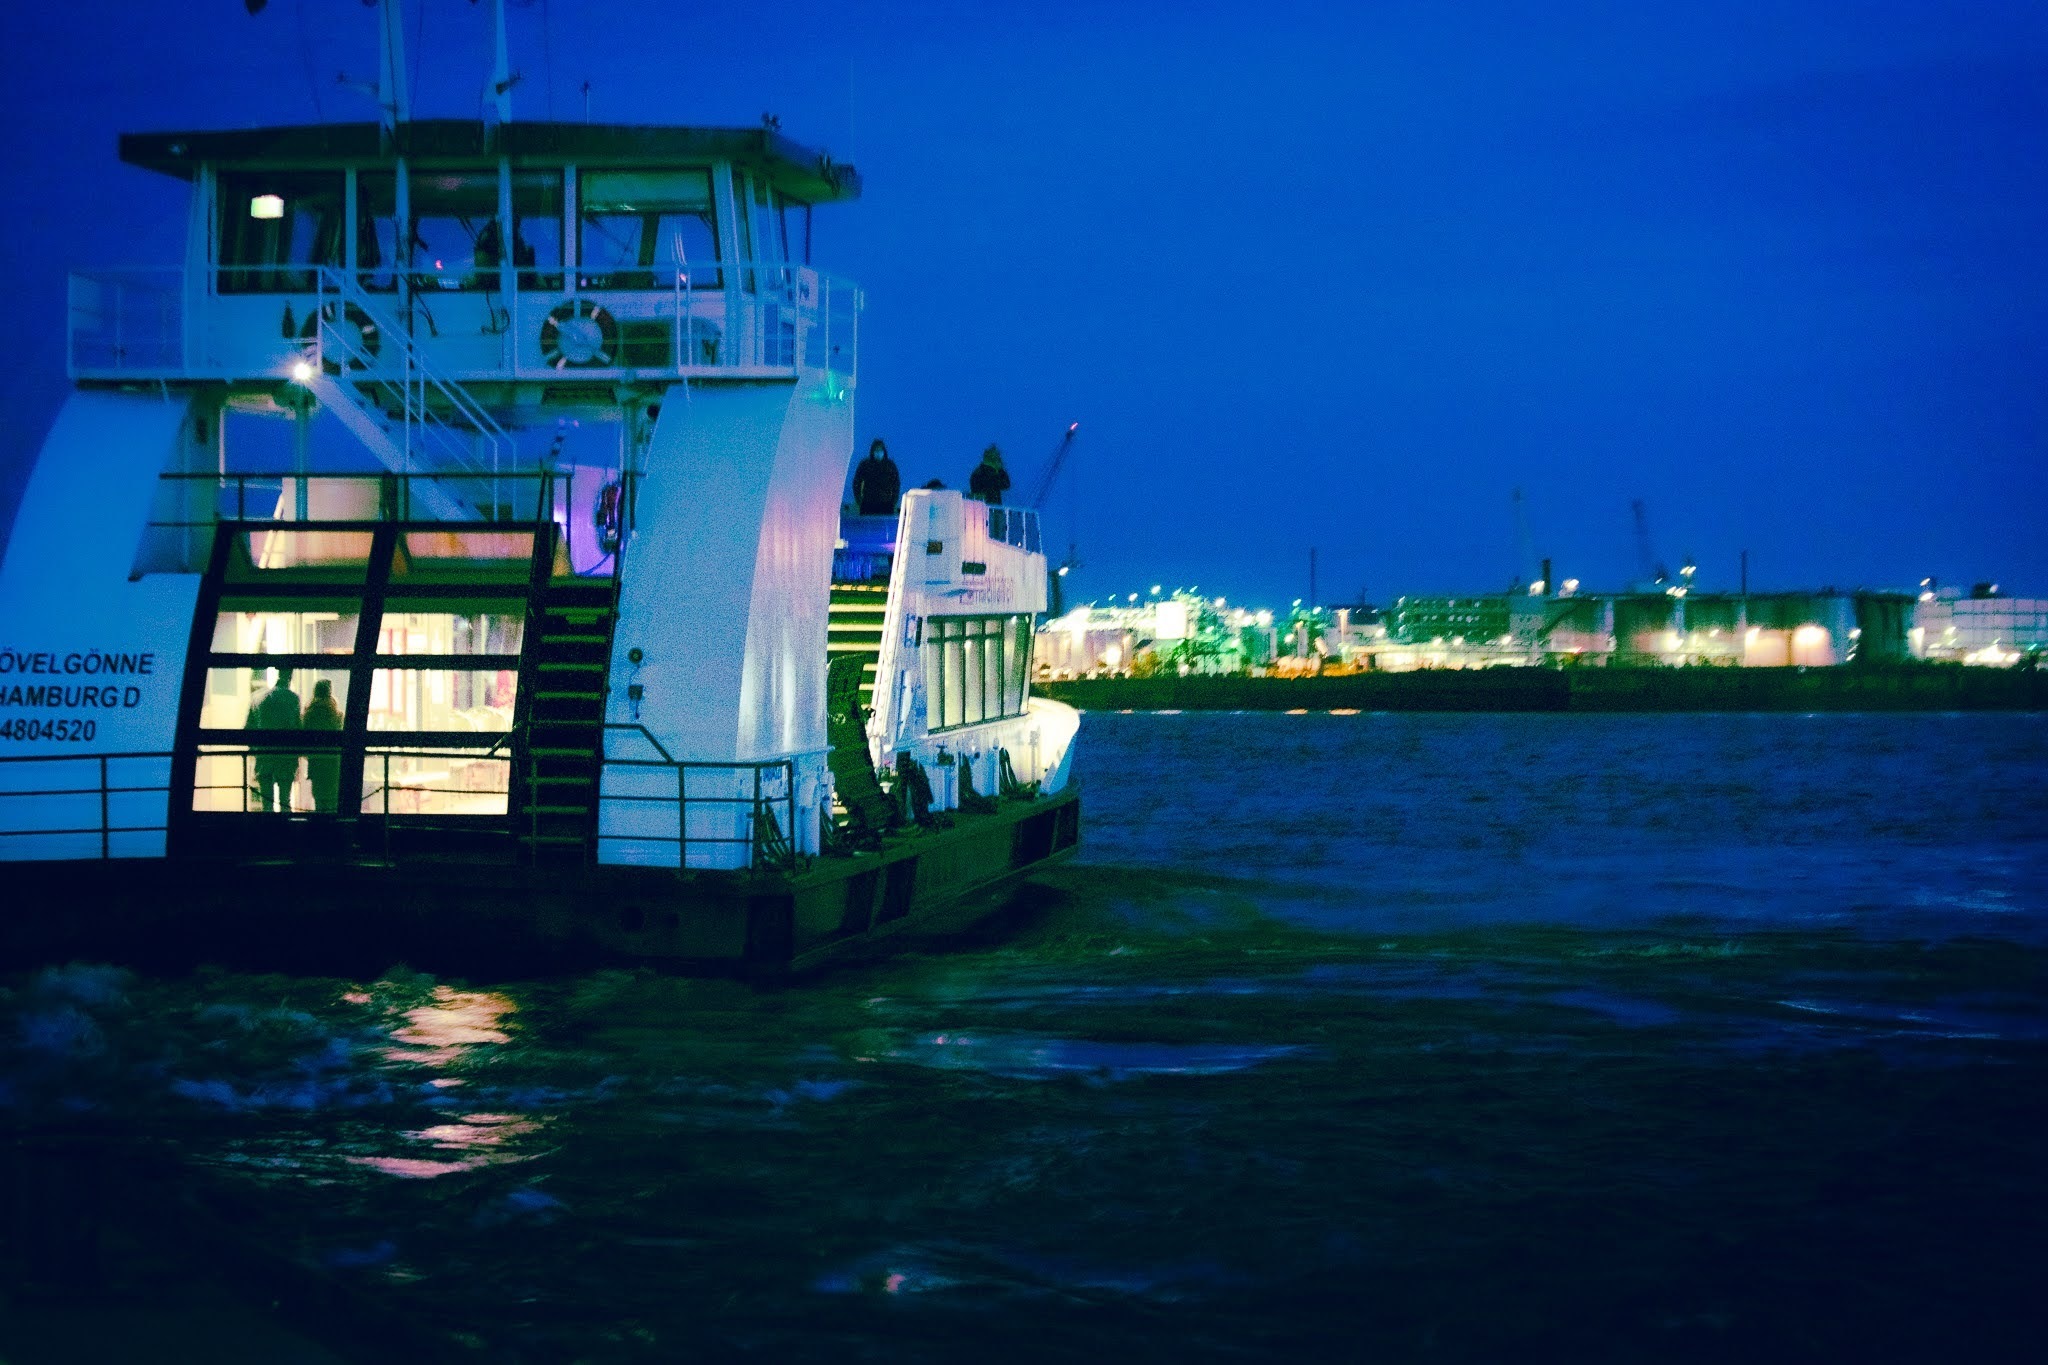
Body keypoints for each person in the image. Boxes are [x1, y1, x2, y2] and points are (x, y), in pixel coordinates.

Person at [245, 667, 303, 813]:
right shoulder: (293, 698)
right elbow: (297, 729)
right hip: (286, 757)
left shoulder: (257, 697)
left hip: (264, 756)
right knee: (285, 800)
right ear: (290, 677)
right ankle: (286, 832)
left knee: (267, 802)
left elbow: (248, 728)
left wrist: (255, 750)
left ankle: (267, 832)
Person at [301, 679, 344, 813]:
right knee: (333, 799)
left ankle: (320, 828)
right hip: (333, 761)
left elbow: (305, 739)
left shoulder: (309, 714)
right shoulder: (337, 715)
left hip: (316, 761)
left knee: (319, 799)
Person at [850, 438, 901, 516]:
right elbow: (856, 482)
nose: (878, 453)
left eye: (880, 450)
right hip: (868, 505)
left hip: (886, 505)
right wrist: (859, 500)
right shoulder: (865, 465)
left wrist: (893, 501)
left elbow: (896, 484)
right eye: (876, 450)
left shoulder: (890, 466)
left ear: (884, 451)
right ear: (872, 451)